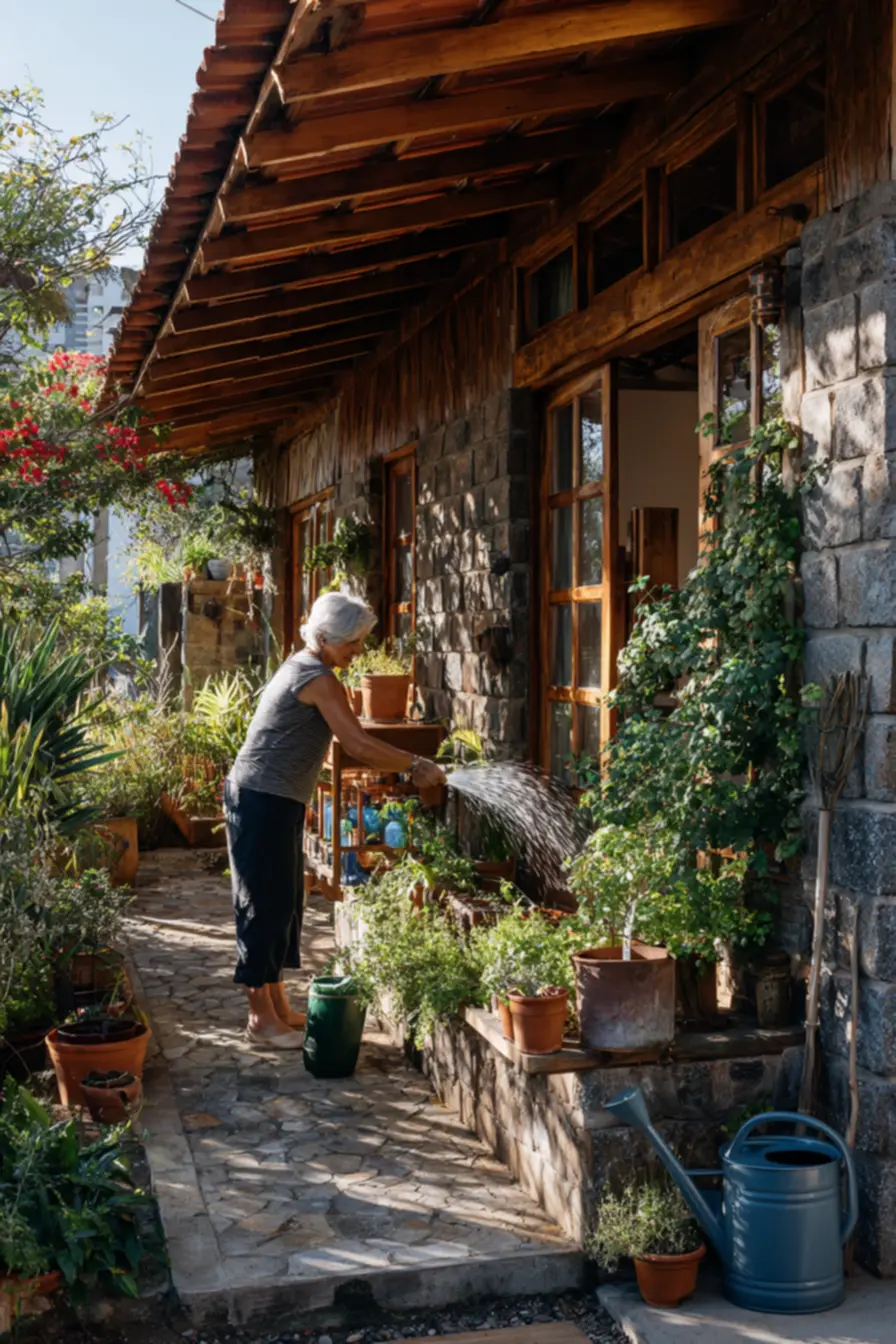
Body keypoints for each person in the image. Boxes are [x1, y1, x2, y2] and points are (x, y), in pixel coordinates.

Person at [224, 591, 446, 1048]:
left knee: (284, 904)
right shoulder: (317, 677)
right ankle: (260, 1019)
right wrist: (414, 765)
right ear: (325, 638)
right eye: (353, 642)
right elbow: (357, 743)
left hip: (277, 798)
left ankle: (278, 1007)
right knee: (261, 905)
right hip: (260, 798)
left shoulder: (306, 666)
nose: (358, 651)